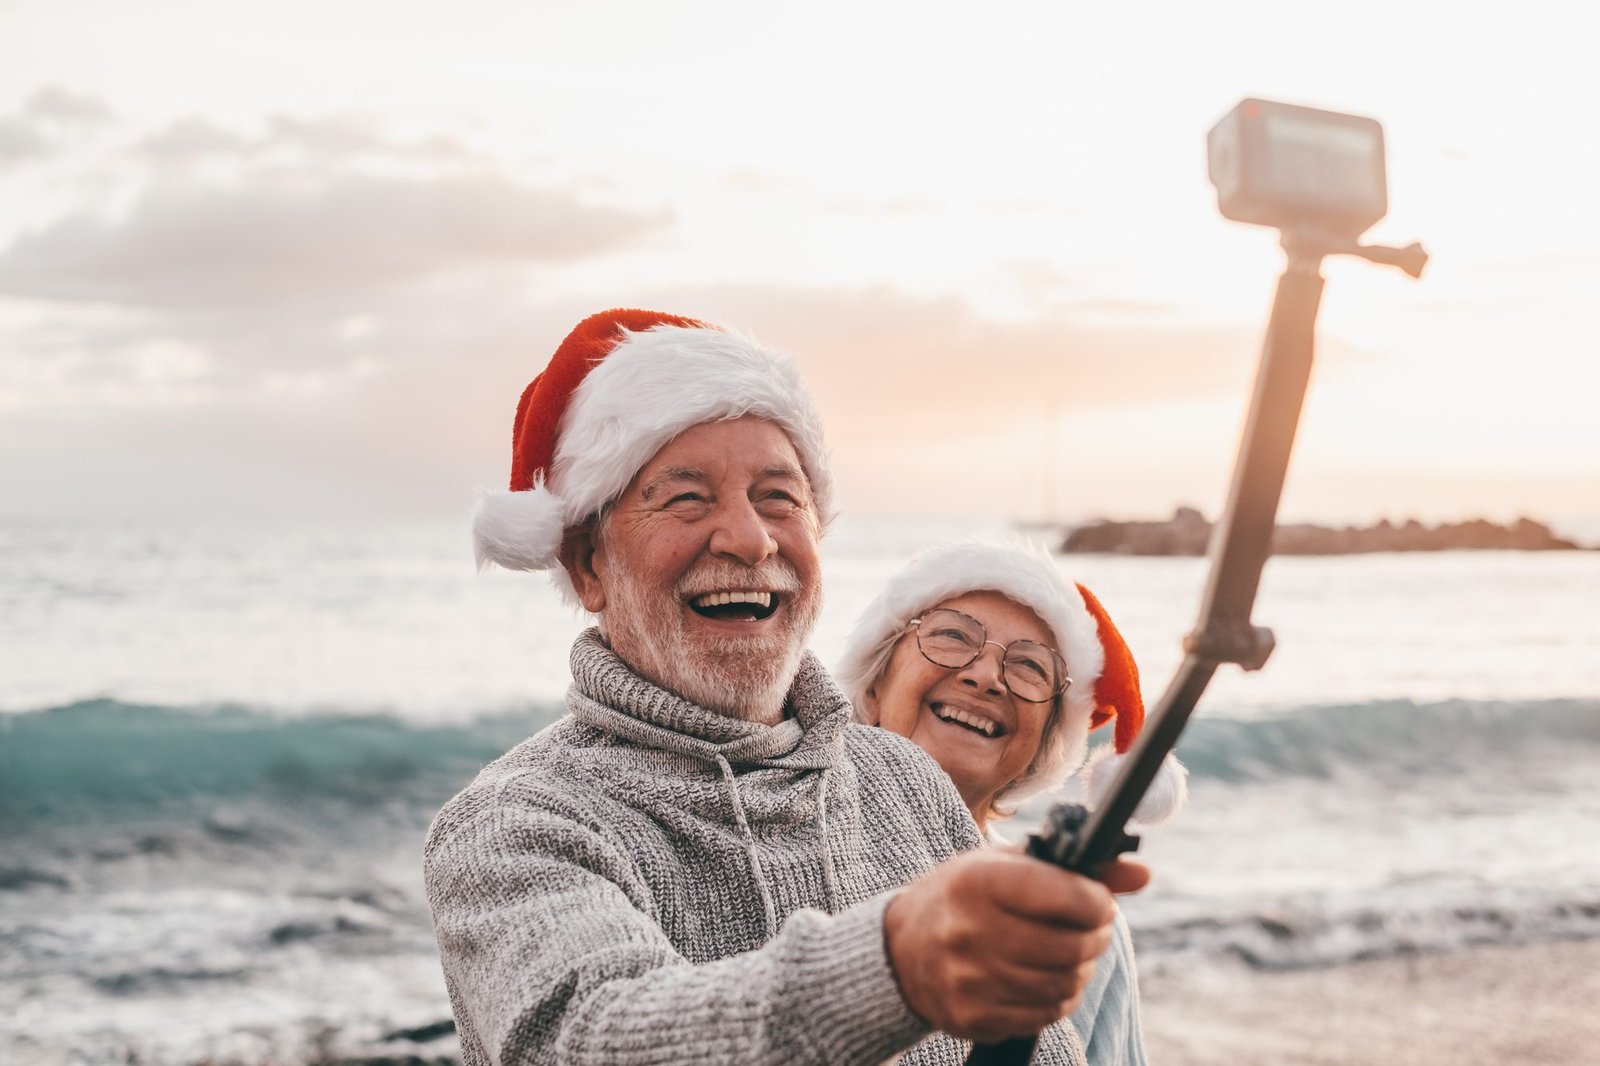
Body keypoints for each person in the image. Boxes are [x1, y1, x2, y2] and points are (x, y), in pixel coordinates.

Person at [425, 308, 1148, 1065]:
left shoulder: (907, 782)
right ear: (587, 565)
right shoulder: (511, 824)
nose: (749, 538)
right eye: (685, 498)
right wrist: (897, 966)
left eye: (779, 496)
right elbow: (591, 1037)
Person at [836, 541, 1188, 1065]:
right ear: (875, 685)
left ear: (1043, 743)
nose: (986, 676)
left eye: (1030, 667)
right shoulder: (790, 845)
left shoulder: (1078, 923)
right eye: (952, 636)